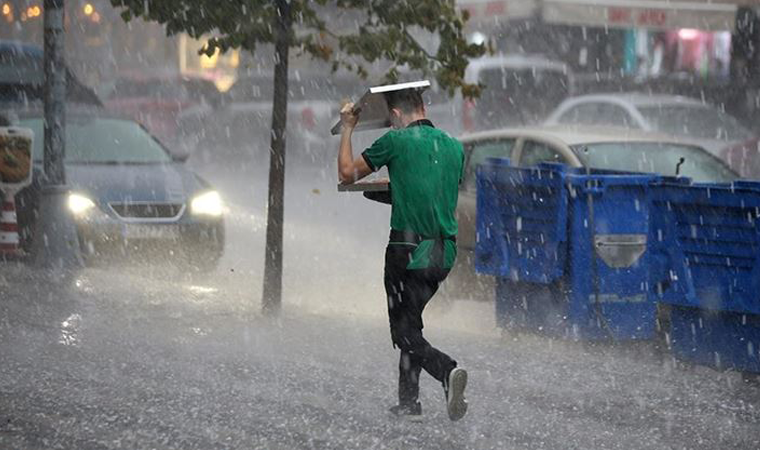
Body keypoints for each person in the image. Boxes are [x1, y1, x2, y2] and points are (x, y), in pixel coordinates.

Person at [337, 88, 468, 421]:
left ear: (394, 115)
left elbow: (346, 173)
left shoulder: (395, 142)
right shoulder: (454, 147)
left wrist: (348, 127)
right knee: (412, 323)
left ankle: (446, 370)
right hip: (443, 253)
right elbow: (432, 193)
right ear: (423, 107)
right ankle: (409, 402)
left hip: (407, 252)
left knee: (404, 332)